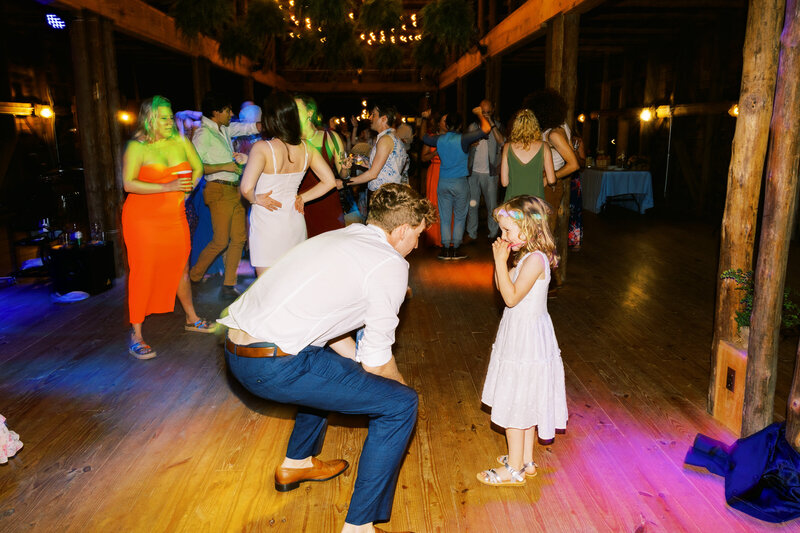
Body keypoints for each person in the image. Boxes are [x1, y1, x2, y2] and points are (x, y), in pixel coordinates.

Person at [218, 183, 438, 533]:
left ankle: (297, 462)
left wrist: (361, 367)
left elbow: (331, 323)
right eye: (416, 236)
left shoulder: (342, 238)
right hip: (273, 364)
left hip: (239, 351)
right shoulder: (390, 263)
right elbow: (378, 361)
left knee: (334, 374)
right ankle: (359, 528)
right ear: (400, 231)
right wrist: (397, 388)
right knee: (400, 404)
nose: (416, 244)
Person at [478, 195, 568, 486]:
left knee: (515, 400)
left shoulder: (536, 260)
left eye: (507, 230)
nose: (502, 236)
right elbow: (501, 284)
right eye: (501, 230)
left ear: (529, 228)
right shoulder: (529, 256)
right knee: (525, 397)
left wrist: (499, 261)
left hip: (526, 338)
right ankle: (526, 460)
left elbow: (511, 297)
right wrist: (502, 264)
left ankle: (513, 469)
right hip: (521, 333)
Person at [122, 96, 214, 360]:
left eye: (170, 115)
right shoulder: (138, 146)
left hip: (174, 216)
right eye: (162, 117)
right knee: (143, 271)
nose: (169, 121)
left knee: (180, 269)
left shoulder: (181, 141)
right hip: (142, 219)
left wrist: (187, 192)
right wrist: (168, 187)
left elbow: (198, 168)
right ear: (149, 118)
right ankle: (136, 334)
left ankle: (191, 318)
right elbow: (128, 184)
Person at [239, 92, 336, 277]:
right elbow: (330, 181)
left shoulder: (262, 148)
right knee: (291, 283)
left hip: (268, 223)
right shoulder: (307, 148)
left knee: (267, 286)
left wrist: (254, 199)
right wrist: (302, 197)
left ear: (270, 119)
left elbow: (246, 188)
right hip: (294, 220)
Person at [189, 92, 259, 300]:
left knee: (238, 238)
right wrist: (226, 165)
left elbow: (249, 127)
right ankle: (194, 276)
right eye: (228, 110)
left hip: (234, 190)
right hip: (218, 190)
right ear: (216, 112)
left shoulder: (225, 128)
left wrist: (272, 122)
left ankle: (229, 284)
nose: (232, 113)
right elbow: (196, 166)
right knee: (220, 241)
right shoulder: (203, 135)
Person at [421, 107, 490, 260]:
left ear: (446, 125)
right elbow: (486, 128)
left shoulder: (439, 139)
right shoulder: (464, 138)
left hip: (443, 181)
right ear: (459, 125)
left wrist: (425, 121)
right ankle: (455, 249)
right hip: (460, 182)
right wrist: (479, 114)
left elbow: (424, 138)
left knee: (444, 216)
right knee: (459, 216)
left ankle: (445, 250)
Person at [296, 96, 349, 237]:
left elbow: (344, 175)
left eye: (297, 109)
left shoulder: (331, 138)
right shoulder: (291, 142)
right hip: (301, 206)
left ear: (309, 112)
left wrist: (345, 168)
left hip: (328, 205)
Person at [344, 103, 409, 210]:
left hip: (383, 197)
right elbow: (382, 167)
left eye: (373, 115)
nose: (370, 117)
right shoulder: (390, 137)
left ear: (383, 119)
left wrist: (344, 183)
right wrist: (360, 161)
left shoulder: (385, 140)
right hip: (388, 194)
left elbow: (373, 174)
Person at [466, 99, 505, 243]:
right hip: (474, 172)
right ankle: (471, 233)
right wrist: (471, 144)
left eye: (488, 112)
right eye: (483, 112)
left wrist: (492, 124)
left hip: (491, 173)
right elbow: (464, 146)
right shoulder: (472, 127)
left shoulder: (498, 126)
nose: (486, 115)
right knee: (472, 205)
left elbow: (503, 143)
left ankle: (493, 233)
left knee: (492, 207)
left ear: (493, 111)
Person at [501, 109, 556, 202]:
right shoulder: (544, 147)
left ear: (515, 126)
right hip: (536, 204)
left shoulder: (507, 147)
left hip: (513, 203)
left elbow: (504, 182)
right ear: (535, 126)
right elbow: (551, 180)